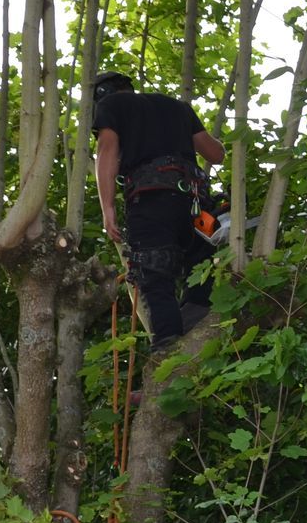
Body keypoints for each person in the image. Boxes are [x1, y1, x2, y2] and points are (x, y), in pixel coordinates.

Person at [92, 71, 226, 346]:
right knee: (200, 263)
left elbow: (107, 150)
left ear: (101, 96)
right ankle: (196, 313)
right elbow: (216, 154)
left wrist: (107, 208)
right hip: (194, 200)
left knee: (155, 275)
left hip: (151, 200)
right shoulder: (176, 106)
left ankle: (167, 344)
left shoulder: (112, 106)